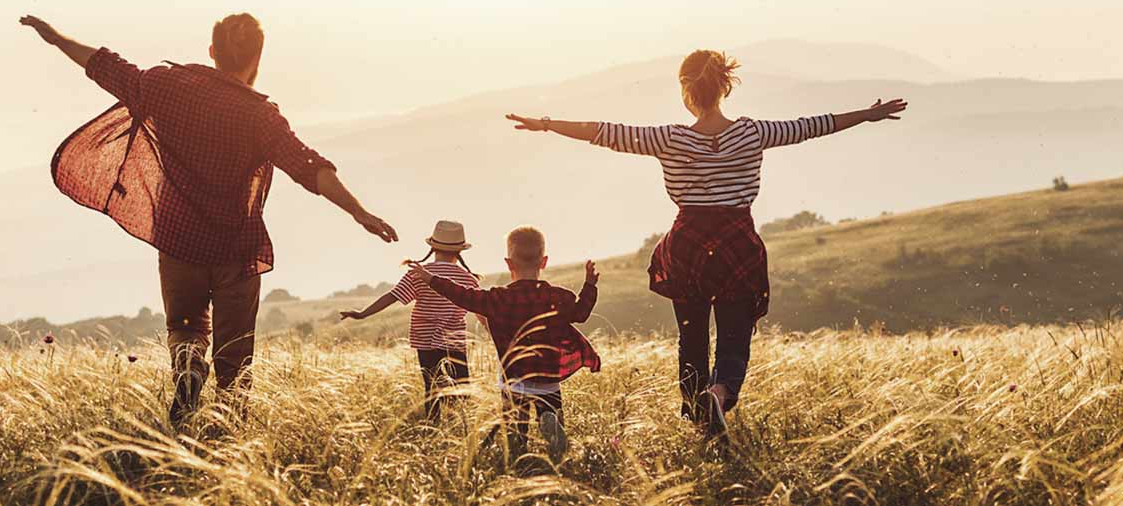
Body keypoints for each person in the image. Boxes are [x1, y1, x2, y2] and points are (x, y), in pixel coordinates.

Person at [502, 49, 907, 441]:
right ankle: (720, 394)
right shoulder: (753, 132)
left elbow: (603, 133)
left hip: (688, 247)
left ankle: (699, 414)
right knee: (735, 335)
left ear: (685, 91)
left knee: (692, 337)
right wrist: (866, 115)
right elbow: (814, 125)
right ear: (724, 87)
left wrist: (547, 123)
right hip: (737, 244)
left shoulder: (668, 139)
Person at [19, 13, 399, 427]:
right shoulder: (261, 116)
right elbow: (308, 166)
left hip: (180, 240)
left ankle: (187, 372)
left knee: (185, 329)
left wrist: (56, 39)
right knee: (235, 353)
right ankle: (229, 435)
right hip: (236, 249)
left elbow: (106, 66)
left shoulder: (166, 87)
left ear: (213, 52)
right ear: (257, 59)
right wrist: (358, 211)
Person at [407, 226, 599, 464]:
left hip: (514, 380)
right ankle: (551, 428)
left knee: (515, 434)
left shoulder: (497, 298)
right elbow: (581, 313)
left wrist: (432, 279)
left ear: (509, 263)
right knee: (550, 413)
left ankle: (519, 458)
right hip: (548, 380)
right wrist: (589, 285)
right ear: (544, 261)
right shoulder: (559, 297)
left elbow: (463, 295)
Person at [340, 220, 482, 421]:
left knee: (431, 386)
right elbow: (481, 309)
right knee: (460, 386)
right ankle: (459, 426)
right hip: (455, 341)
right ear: (460, 250)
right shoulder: (468, 278)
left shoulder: (418, 274)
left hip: (425, 341)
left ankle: (433, 426)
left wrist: (362, 313)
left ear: (432, 247)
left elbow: (392, 296)